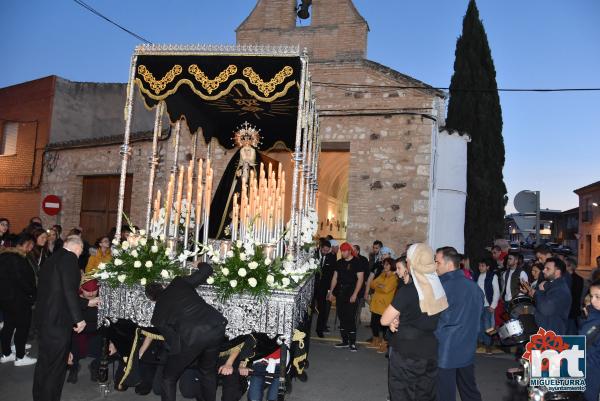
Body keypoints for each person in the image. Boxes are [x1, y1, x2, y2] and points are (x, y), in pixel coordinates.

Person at [146, 263, 227, 401]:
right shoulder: (178, 283)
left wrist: (180, 359)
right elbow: (207, 269)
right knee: (207, 371)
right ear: (163, 286)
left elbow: (174, 342)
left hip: (193, 337)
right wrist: (199, 264)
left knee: (168, 377)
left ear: (152, 300)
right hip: (216, 327)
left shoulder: (157, 316)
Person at [382, 245, 447, 401]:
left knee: (403, 394)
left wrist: (394, 320)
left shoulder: (409, 290)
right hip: (430, 350)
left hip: (407, 352)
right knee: (425, 395)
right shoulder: (437, 286)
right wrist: (398, 319)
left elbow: (384, 319)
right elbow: (423, 313)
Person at [33, 235, 87, 401]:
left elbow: (55, 291)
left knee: (44, 363)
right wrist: (79, 319)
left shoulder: (53, 258)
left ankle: (39, 397)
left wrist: (86, 302)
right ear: (78, 248)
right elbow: (69, 291)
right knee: (56, 367)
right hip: (57, 323)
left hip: (44, 320)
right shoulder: (70, 259)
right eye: (81, 251)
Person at [434, 246, 483, 401]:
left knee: (445, 393)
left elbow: (432, 317)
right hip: (467, 345)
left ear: (449, 265)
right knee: (469, 389)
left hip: (445, 348)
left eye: (437, 262)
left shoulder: (442, 287)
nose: (435, 266)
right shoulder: (474, 287)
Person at [0, 233, 37, 366]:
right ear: (25, 243)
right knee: (22, 327)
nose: (31, 248)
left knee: (8, 325)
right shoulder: (18, 258)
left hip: (5, 298)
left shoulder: (4, 255)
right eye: (31, 244)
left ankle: (6, 354)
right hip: (19, 299)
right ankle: (20, 357)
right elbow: (22, 280)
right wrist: (33, 293)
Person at [328, 242, 364, 351]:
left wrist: (355, 294)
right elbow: (335, 278)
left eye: (344, 251)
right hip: (340, 292)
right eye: (341, 251)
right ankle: (344, 341)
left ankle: (352, 342)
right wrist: (331, 292)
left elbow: (360, 279)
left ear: (349, 251)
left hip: (351, 292)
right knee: (341, 316)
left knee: (350, 317)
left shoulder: (357, 262)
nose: (342, 253)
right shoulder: (339, 263)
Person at [521, 257, 571, 334]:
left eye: (548, 269)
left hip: (552, 334)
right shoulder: (552, 284)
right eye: (544, 268)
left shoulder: (560, 289)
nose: (543, 271)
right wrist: (530, 292)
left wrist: (537, 293)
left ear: (557, 272)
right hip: (545, 330)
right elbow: (543, 300)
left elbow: (546, 308)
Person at [66, 278, 101, 384]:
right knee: (71, 344)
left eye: (94, 290)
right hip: (77, 333)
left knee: (108, 347)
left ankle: (95, 366)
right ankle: (74, 367)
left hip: (97, 332)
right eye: (87, 290)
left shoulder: (102, 299)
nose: (91, 293)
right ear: (81, 288)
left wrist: (112, 342)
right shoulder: (74, 300)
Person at [367, 257, 398, 353]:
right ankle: (376, 340)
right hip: (376, 304)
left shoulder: (394, 278)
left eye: (387, 264)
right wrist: (380, 285)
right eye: (384, 264)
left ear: (392, 265)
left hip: (385, 305)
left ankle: (385, 345)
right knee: (374, 324)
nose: (385, 266)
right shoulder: (382, 274)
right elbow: (372, 284)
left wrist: (379, 286)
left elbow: (387, 289)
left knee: (385, 327)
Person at [473, 257, 500, 355]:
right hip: (478, 305)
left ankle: (489, 345)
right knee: (479, 325)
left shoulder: (493, 276)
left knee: (488, 326)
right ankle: (482, 342)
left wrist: (493, 305)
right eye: (479, 265)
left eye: (482, 266)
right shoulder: (477, 275)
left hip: (488, 305)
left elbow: (496, 291)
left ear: (488, 267)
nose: (480, 267)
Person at [579, 280, 600, 401]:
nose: (592, 301)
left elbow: (585, 341)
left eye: (598, 297)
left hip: (592, 368)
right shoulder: (594, 313)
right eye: (592, 296)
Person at [314, 240, 336, 338]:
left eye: (327, 251)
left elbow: (332, 275)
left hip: (323, 288)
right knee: (309, 310)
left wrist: (329, 290)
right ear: (320, 247)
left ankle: (319, 329)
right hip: (312, 287)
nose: (325, 253)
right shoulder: (313, 255)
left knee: (323, 310)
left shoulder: (331, 257)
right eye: (324, 250)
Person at [565, 257, 584, 335]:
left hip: (571, 312)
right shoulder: (567, 278)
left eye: (564, 265)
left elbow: (575, 296)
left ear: (570, 266)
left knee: (571, 334)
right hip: (571, 311)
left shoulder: (577, 279)